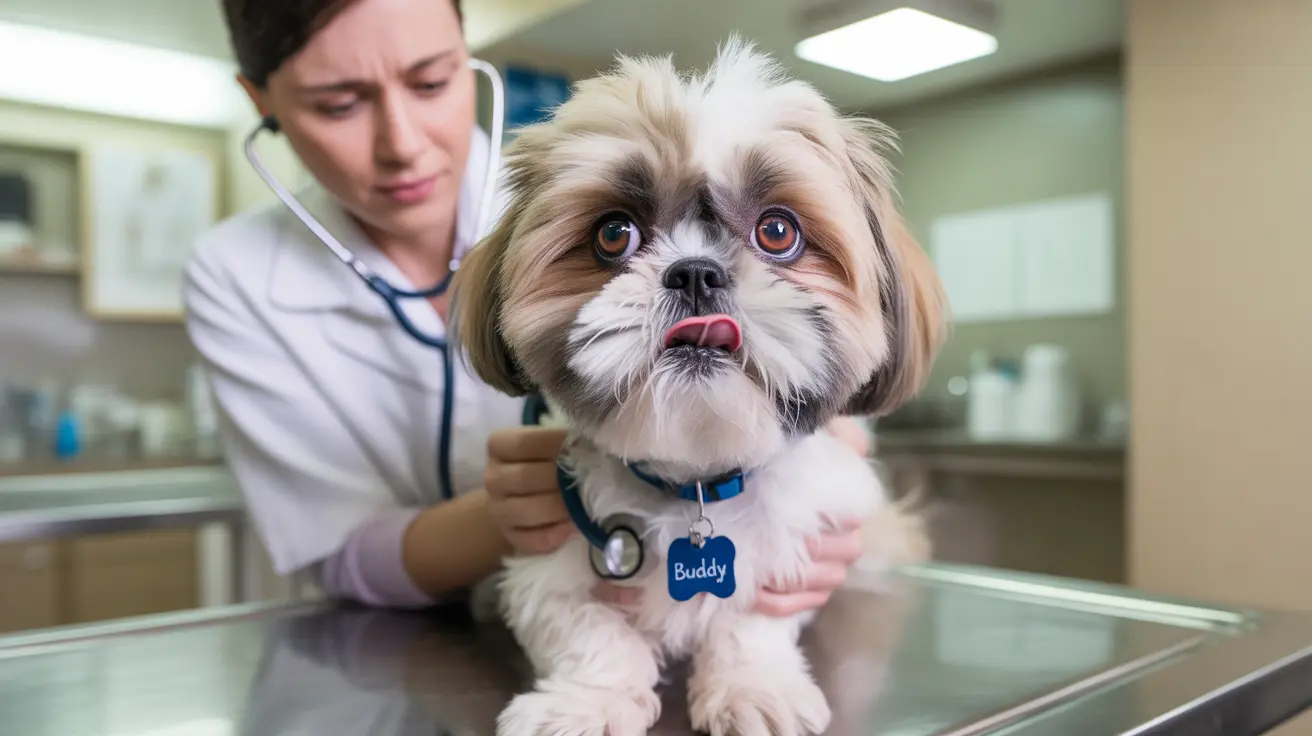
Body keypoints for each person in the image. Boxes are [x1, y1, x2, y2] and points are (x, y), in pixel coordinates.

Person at [186, 0, 871, 616]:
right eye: (339, 103)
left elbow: (839, 353)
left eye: (430, 81)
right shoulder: (237, 274)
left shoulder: (567, 176)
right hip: (404, 643)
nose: (402, 142)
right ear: (259, 99)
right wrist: (519, 511)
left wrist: (820, 480)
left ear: (465, 46)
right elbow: (333, 547)